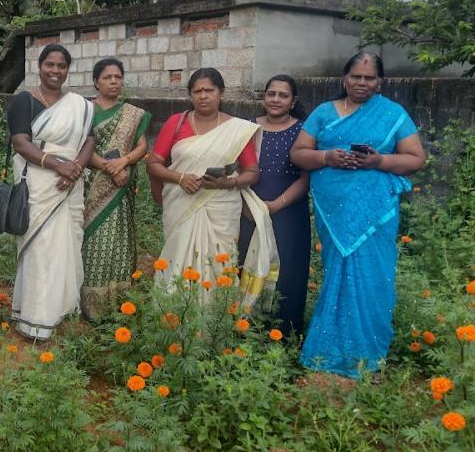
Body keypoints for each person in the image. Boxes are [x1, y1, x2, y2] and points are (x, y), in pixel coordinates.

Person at [291, 52, 425, 378]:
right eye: (355, 76)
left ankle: (367, 354)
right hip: (333, 213)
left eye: (369, 78)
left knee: (372, 275)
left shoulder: (392, 113)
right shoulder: (324, 112)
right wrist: (327, 157)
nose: (361, 83)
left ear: (380, 82)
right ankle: (328, 351)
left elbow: (416, 159)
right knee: (336, 274)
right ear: (344, 78)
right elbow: (298, 153)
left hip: (375, 214)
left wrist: (379, 161)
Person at [146, 68, 278, 310]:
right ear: (190, 95)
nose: (203, 96)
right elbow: (153, 163)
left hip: (222, 208)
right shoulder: (176, 123)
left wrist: (228, 182)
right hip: (182, 205)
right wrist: (180, 178)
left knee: (219, 264)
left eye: (209, 90)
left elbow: (252, 172)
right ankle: (172, 320)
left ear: (221, 93)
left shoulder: (236, 129)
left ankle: (215, 323)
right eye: (197, 91)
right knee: (177, 262)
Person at [7, 44, 95, 339]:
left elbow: (89, 141)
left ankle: (60, 311)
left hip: (70, 185)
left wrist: (75, 169)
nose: (55, 70)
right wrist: (59, 166)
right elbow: (21, 142)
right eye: (50, 64)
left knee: (67, 248)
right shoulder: (25, 100)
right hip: (39, 184)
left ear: (67, 70)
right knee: (40, 249)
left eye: (61, 66)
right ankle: (34, 319)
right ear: (40, 66)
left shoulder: (79, 105)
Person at [238, 75, 311, 337]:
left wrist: (276, 205)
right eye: (271, 94)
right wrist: (246, 205)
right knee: (244, 266)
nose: (276, 99)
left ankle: (282, 335)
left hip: (288, 213)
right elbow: (235, 168)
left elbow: (305, 178)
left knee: (286, 271)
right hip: (248, 211)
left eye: (283, 95)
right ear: (264, 97)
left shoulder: (303, 131)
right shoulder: (247, 128)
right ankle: (243, 333)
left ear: (293, 101)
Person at [80, 58, 151, 319]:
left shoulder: (132, 113)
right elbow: (81, 148)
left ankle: (119, 303)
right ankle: (91, 307)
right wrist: (111, 168)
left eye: (118, 77)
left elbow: (142, 146)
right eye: (107, 77)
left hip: (121, 190)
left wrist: (124, 161)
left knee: (121, 239)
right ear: (96, 81)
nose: (113, 82)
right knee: (93, 240)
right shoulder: (85, 111)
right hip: (93, 186)